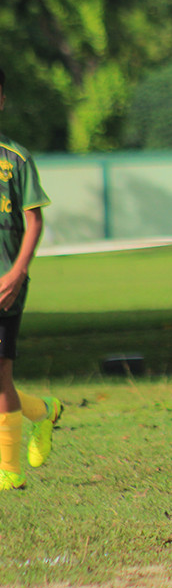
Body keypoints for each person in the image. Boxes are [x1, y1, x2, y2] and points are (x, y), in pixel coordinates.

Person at [0, 67, 63, 492]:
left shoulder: (14, 158)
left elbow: (34, 221)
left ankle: (9, 471)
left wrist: (17, 272)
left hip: (5, 284)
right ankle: (43, 411)